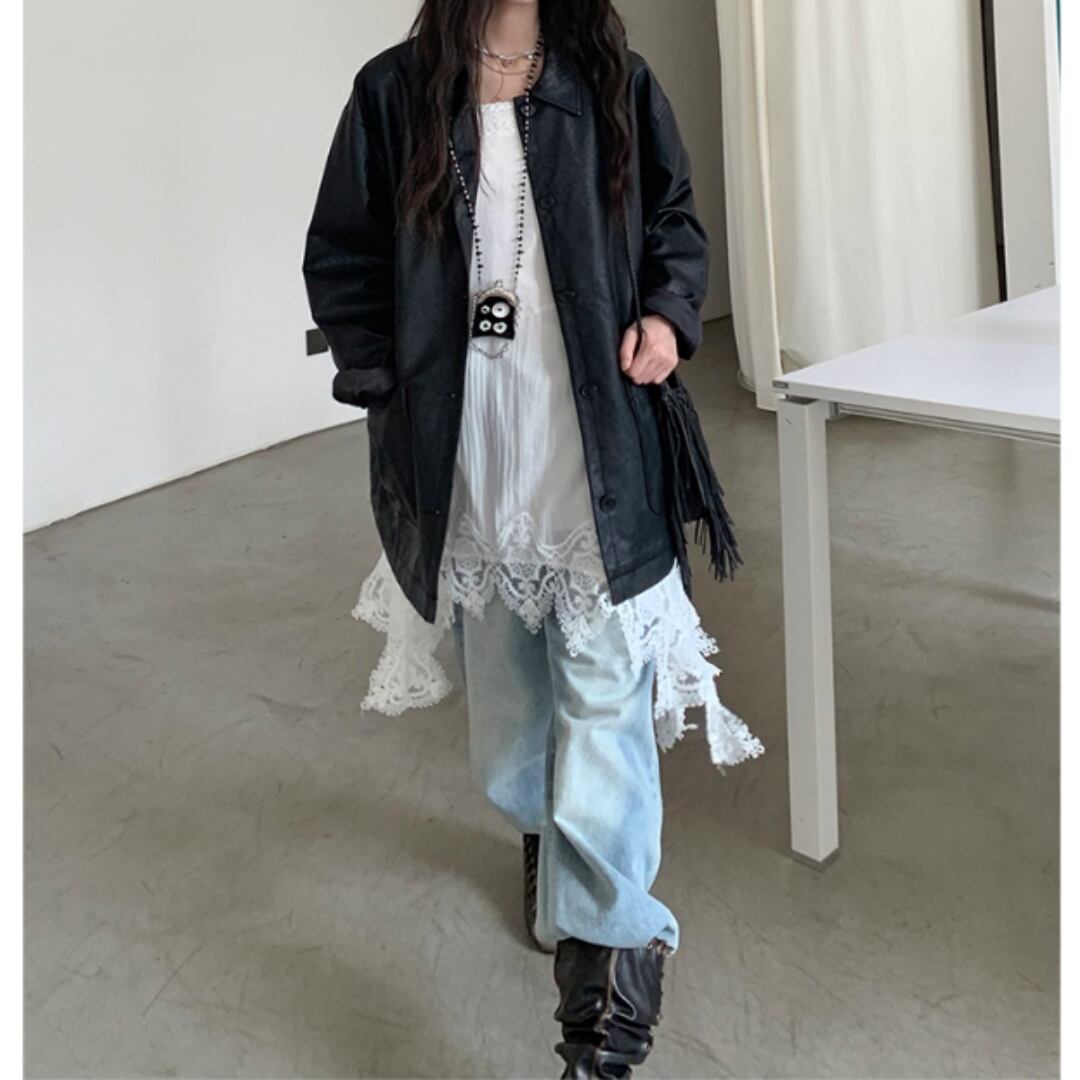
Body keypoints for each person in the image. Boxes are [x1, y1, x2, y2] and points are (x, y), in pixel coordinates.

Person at [303, 0, 764, 1073]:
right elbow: (344, 251)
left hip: (589, 444)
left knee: (602, 693)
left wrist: (670, 314)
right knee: (510, 711)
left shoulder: (612, 82)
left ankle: (603, 1019)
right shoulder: (394, 92)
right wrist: (382, 376)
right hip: (467, 451)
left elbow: (674, 220)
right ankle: (546, 834)